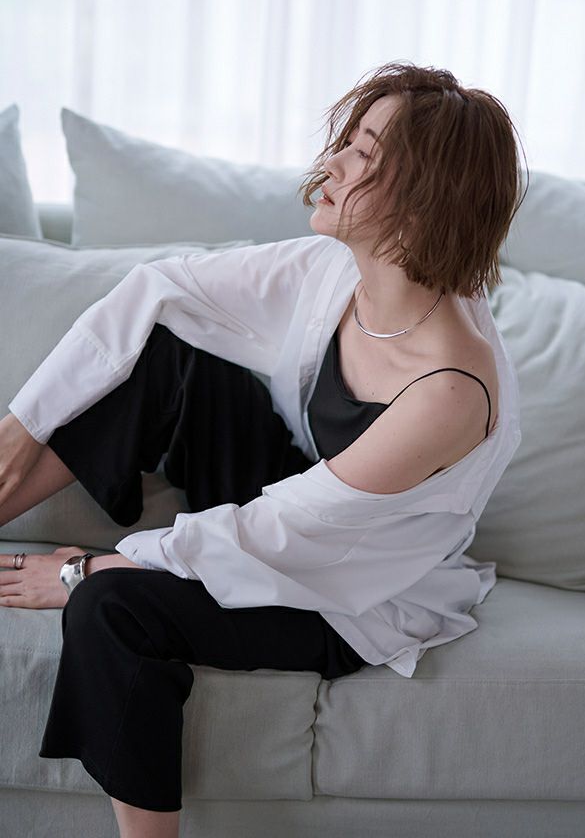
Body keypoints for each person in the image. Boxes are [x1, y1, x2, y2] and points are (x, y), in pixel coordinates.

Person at [0, 61, 526, 836]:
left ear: (426, 199)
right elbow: (159, 287)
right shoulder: (334, 271)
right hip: (301, 509)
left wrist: (87, 570)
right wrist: (19, 430)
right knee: (169, 353)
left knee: (111, 607)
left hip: (347, 593)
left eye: (364, 153)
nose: (331, 163)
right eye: (346, 141)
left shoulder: (449, 390)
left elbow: (281, 534)